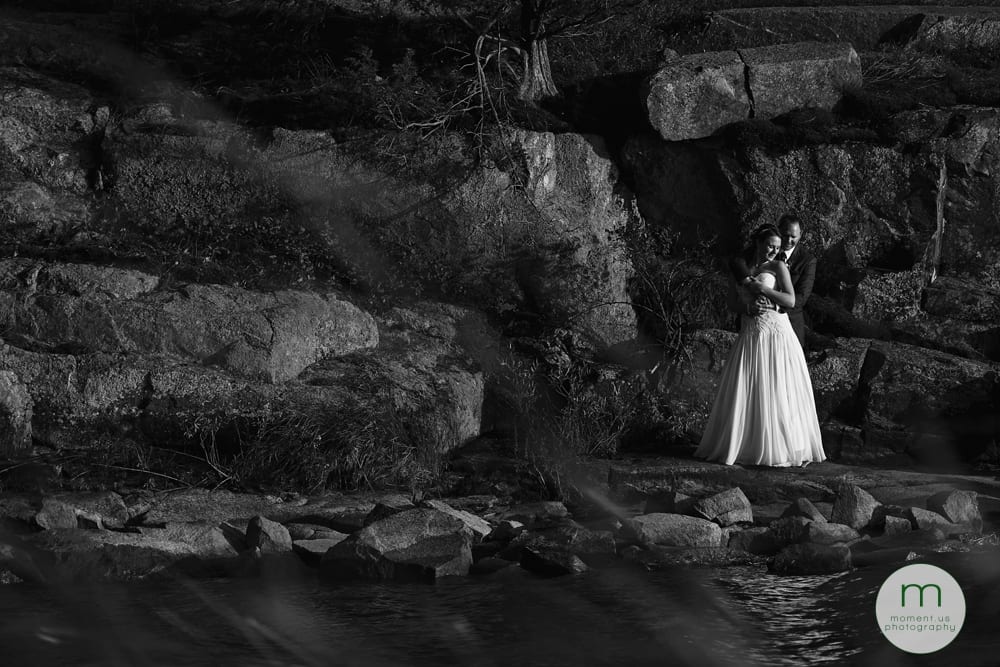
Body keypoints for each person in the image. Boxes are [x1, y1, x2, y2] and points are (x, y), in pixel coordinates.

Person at [695, 224, 825, 467]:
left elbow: (791, 299)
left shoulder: (778, 267)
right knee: (749, 388)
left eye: (777, 247)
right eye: (770, 246)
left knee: (776, 388)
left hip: (776, 333)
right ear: (757, 243)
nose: (774, 251)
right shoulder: (740, 268)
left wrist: (763, 289)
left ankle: (782, 447)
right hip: (751, 332)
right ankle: (747, 444)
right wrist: (747, 308)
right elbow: (731, 302)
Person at [729, 214, 816, 349]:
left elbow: (801, 297)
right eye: (785, 235)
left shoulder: (807, 261)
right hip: (750, 327)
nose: (788, 240)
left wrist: (772, 304)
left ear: (801, 235)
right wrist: (748, 293)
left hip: (786, 324)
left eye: (793, 237)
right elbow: (736, 263)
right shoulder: (755, 253)